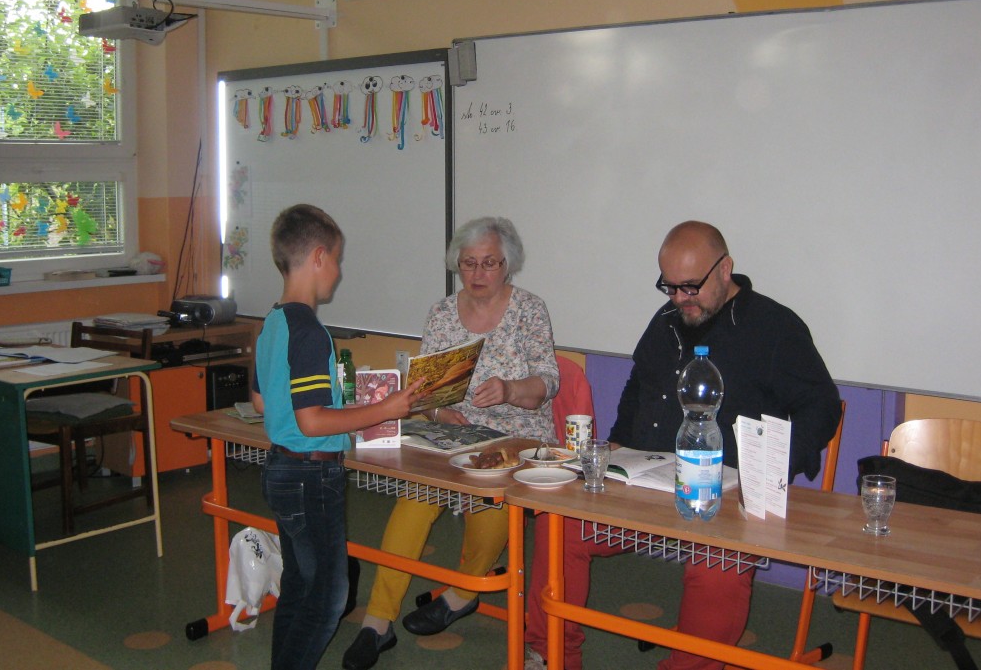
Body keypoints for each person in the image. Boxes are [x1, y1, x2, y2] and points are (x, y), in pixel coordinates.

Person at [525, 221, 842, 670]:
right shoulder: (666, 321)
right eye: (669, 287)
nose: (679, 299)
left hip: (724, 495)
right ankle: (550, 653)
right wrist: (617, 448)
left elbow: (821, 407)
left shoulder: (774, 327)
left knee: (719, 563)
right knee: (559, 526)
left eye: (691, 286)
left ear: (725, 269)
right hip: (645, 479)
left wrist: (768, 476)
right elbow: (638, 386)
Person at [343, 216, 560, 670]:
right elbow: (424, 391)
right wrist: (441, 413)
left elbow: (548, 382)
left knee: (491, 503)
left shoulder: (529, 309)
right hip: (454, 433)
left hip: (516, 436)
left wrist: (510, 389)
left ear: (508, 264)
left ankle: (463, 592)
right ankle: (377, 621)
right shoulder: (442, 313)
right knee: (414, 501)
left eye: (489, 263)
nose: (478, 274)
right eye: (468, 264)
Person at [250, 204, 425, 670]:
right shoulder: (309, 331)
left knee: (299, 586)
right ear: (319, 257)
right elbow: (311, 422)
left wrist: (339, 410)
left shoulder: (272, 323)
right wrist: (386, 409)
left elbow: (262, 403)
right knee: (328, 597)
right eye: (338, 260)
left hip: (281, 470)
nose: (339, 272)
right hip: (309, 477)